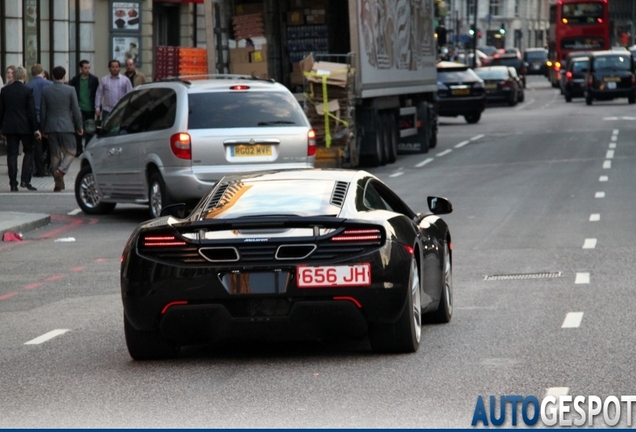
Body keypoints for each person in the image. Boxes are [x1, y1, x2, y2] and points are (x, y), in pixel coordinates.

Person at [40, 66, 84, 192]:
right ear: (64, 76)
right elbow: (76, 110)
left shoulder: (46, 90)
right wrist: (79, 126)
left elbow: (43, 111)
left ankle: (57, 184)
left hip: (51, 126)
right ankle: (61, 171)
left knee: (55, 155)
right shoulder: (70, 90)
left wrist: (42, 128)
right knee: (71, 151)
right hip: (67, 126)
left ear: (53, 76)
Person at [0, 66, 40, 191]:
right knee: (28, 152)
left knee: (12, 154)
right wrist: (36, 129)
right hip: (25, 127)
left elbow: (1, 111)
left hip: (10, 127)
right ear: (24, 76)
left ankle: (13, 183)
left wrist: (2, 128)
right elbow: (32, 112)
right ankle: (25, 180)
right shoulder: (28, 90)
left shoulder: (5, 91)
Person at [26, 64, 53, 177]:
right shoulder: (50, 84)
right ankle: (49, 167)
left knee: (36, 145)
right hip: (47, 117)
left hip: (32, 118)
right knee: (50, 144)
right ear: (42, 72)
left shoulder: (28, 86)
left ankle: (38, 168)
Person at [69, 59, 99, 156]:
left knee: (90, 129)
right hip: (79, 108)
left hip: (90, 107)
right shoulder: (75, 80)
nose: (87, 70)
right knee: (79, 129)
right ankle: (78, 149)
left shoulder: (94, 79)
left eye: (88, 68)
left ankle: (88, 148)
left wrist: (97, 107)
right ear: (81, 68)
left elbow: (97, 94)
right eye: (85, 68)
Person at [95, 59, 132, 124]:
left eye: (116, 67)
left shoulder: (125, 80)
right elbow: (99, 94)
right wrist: (97, 107)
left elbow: (130, 94)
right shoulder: (104, 80)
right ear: (109, 68)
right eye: (113, 67)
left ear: (119, 68)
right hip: (107, 110)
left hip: (121, 109)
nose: (115, 69)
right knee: (106, 130)